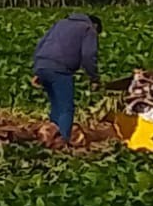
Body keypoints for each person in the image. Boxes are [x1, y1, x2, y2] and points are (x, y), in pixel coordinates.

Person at [30, 13, 102, 143]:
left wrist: (38, 70)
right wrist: (94, 77)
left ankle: (50, 137)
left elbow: (41, 44)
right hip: (60, 68)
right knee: (66, 108)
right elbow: (88, 56)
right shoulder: (88, 28)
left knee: (56, 105)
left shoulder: (60, 23)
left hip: (42, 64)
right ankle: (63, 141)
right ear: (95, 25)